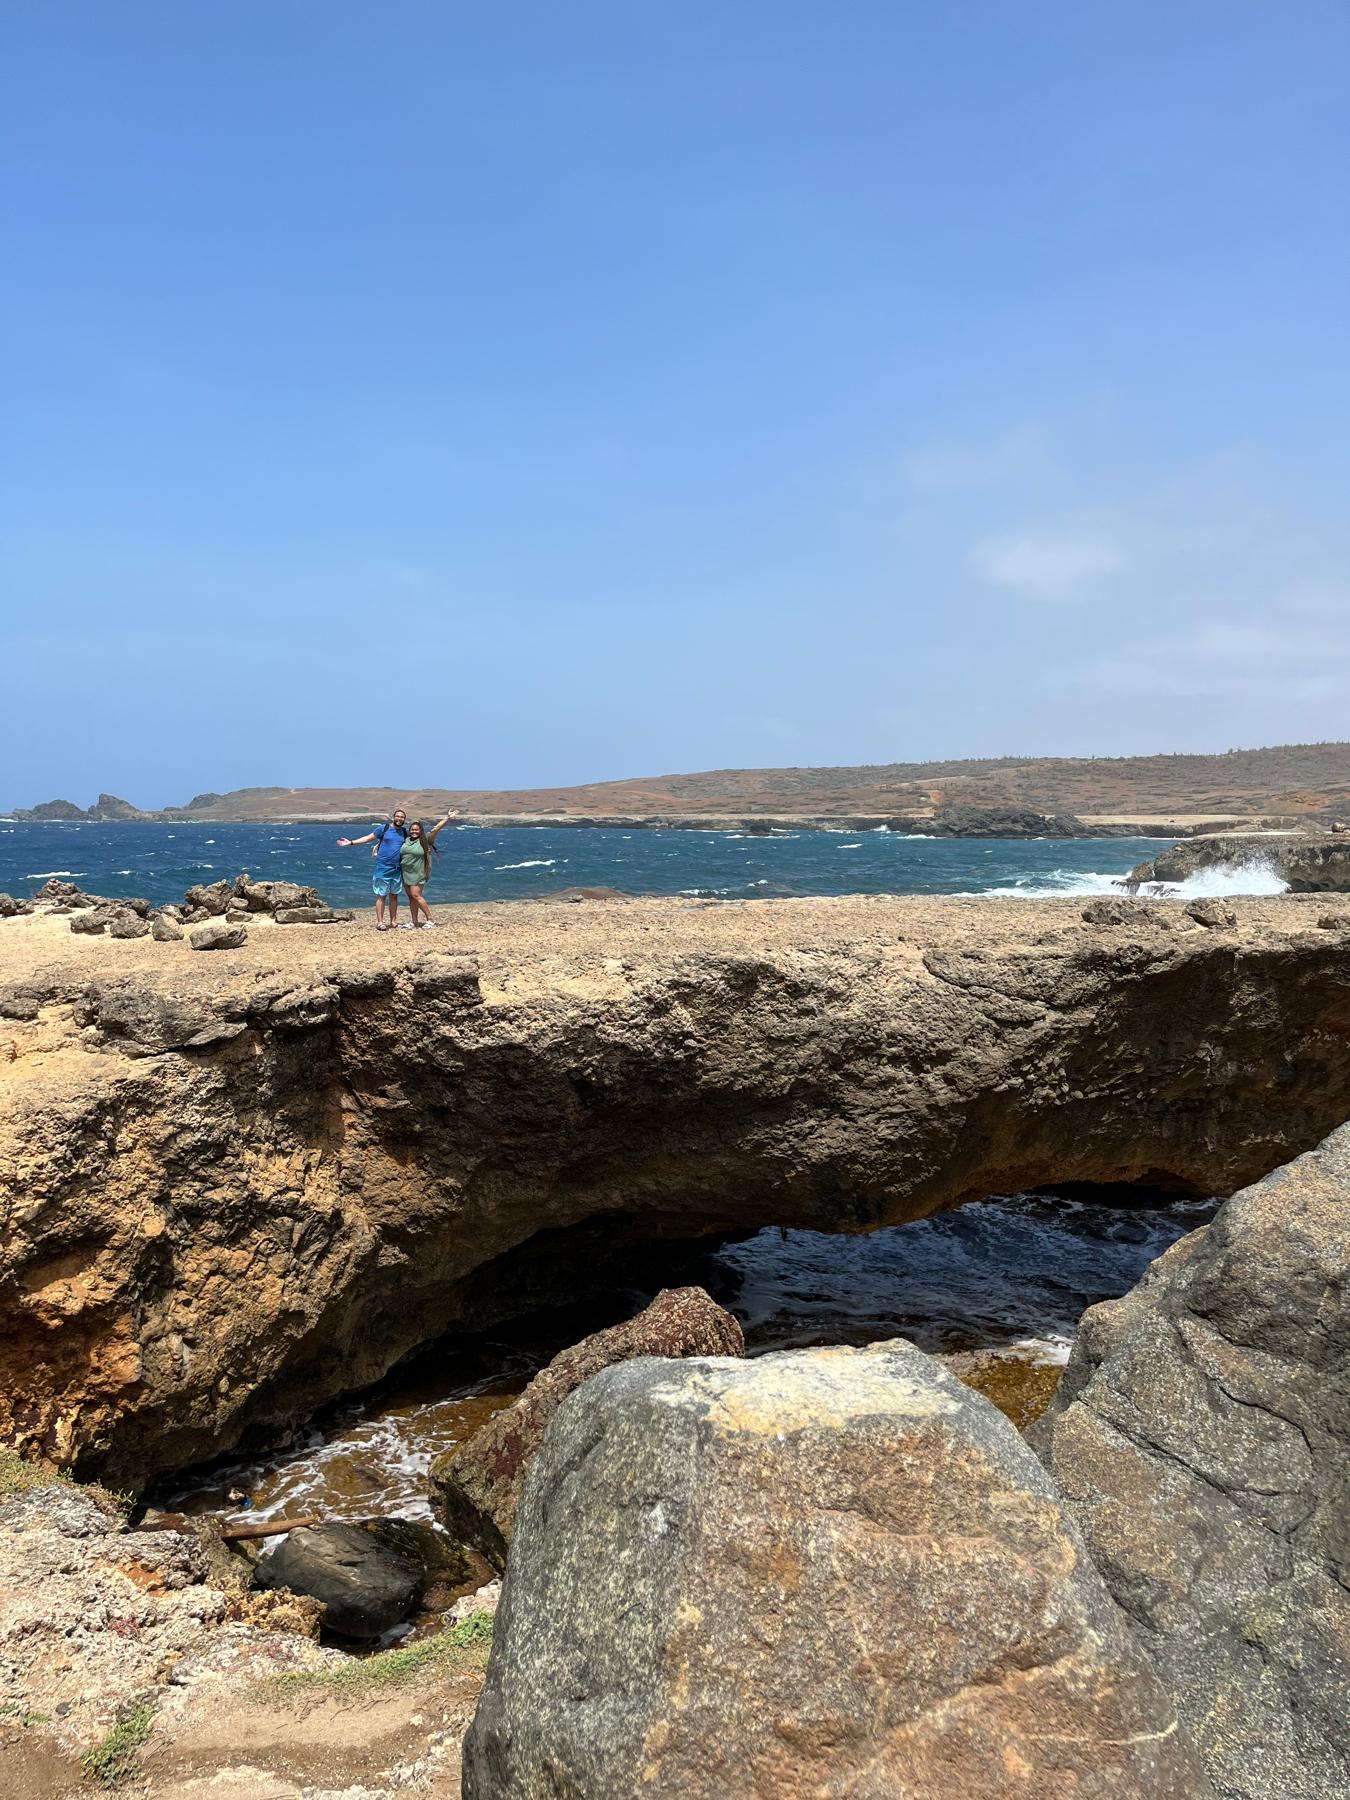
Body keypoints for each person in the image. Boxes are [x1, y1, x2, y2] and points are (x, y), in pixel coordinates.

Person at [336, 808, 410, 929]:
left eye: (402, 817)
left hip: (397, 868)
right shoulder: (383, 828)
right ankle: (380, 922)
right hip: (383, 867)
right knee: (381, 895)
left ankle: (393, 921)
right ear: (393, 817)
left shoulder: (404, 832)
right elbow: (367, 838)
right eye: (398, 816)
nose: (400, 819)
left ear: (404, 820)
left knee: (394, 895)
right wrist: (350, 842)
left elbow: (414, 843)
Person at [400, 810, 461, 928]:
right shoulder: (407, 840)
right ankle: (414, 921)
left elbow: (436, 829)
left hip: (418, 872)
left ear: (420, 830)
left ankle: (430, 919)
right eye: (412, 829)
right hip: (406, 872)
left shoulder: (426, 839)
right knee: (411, 898)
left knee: (416, 895)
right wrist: (378, 846)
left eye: (416, 829)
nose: (414, 831)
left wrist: (447, 818)